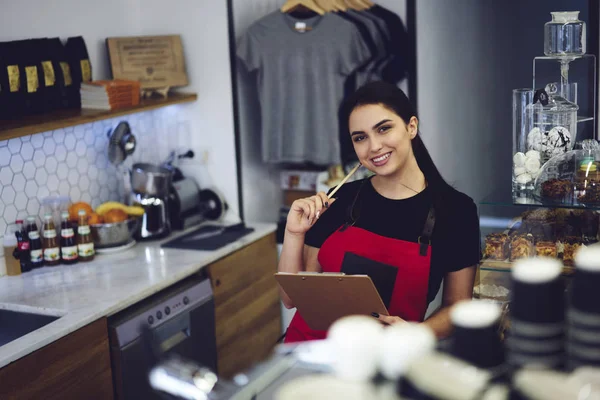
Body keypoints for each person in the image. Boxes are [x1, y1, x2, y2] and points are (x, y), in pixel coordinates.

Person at [278, 81, 481, 342]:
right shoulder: (338, 199)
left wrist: (419, 333)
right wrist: (293, 233)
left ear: (411, 127)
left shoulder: (456, 211)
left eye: (383, 129)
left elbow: (458, 306)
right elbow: (291, 298)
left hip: (388, 357)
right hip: (310, 351)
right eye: (360, 137)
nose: (373, 146)